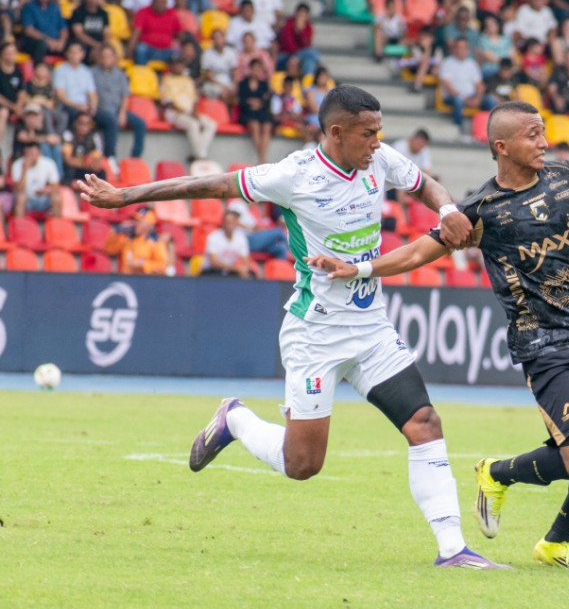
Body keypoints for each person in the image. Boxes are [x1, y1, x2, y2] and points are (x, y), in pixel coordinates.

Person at [77, 84, 508, 570]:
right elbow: (211, 185)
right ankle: (235, 419)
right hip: (315, 335)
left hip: (370, 329)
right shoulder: (293, 174)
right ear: (337, 132)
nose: (378, 142)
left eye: (380, 132)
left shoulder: (379, 159)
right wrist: (127, 196)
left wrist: (448, 210)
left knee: (424, 423)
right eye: (368, 133)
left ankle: (453, 550)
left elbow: (426, 184)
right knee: (303, 465)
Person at [308, 101, 569, 570]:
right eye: (533, 135)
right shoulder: (479, 210)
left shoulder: (567, 178)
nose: (544, 142)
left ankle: (555, 544)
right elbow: (415, 254)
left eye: (544, 132)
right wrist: (359, 267)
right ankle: (496, 473)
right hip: (544, 346)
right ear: (503, 146)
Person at [92, 44, 146, 161]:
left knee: (140, 123)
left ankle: (135, 158)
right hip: (100, 110)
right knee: (111, 120)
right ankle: (110, 157)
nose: (106, 59)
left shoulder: (120, 74)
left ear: (114, 58)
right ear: (99, 58)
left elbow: (125, 95)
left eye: (109, 56)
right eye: (104, 56)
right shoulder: (92, 73)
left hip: (117, 109)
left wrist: (122, 113)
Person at [438, 37, 498, 140]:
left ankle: (489, 133)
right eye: (458, 47)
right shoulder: (447, 63)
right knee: (458, 102)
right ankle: (458, 133)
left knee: (490, 101)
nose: (461, 50)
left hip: (471, 97)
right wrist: (466, 99)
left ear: (467, 49)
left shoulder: (472, 64)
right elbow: (448, 86)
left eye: (463, 47)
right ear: (454, 49)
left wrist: (478, 98)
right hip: (453, 97)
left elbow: (479, 85)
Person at [161, 53, 217, 161]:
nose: (179, 66)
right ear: (171, 66)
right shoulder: (166, 80)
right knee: (193, 124)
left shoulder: (188, 80)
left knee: (211, 124)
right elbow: (168, 102)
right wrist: (187, 112)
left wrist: (194, 112)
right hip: (175, 113)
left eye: (181, 64)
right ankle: (201, 156)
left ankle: (197, 154)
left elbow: (194, 100)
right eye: (176, 64)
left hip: (190, 112)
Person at [104, 207, 171, 275]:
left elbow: (162, 266)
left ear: (148, 225)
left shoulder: (155, 242)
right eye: (135, 221)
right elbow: (109, 250)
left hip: (145, 281)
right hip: (125, 280)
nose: (136, 224)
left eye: (139, 221)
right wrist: (115, 232)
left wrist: (142, 265)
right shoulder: (127, 239)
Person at [18, 0, 68, 64]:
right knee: (41, 45)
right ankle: (39, 69)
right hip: (36, 42)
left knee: (73, 46)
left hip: (55, 43)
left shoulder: (55, 7)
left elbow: (63, 28)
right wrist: (48, 41)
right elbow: (29, 30)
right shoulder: (29, 7)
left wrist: (61, 42)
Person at [129, 0, 182, 65]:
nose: (161, 4)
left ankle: (173, 77)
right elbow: (136, 33)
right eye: (158, 2)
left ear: (166, 2)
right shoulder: (143, 12)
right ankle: (142, 75)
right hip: (149, 50)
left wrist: (177, 44)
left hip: (167, 51)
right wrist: (130, 50)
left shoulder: (172, 14)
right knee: (140, 49)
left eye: (163, 2)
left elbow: (179, 34)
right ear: (153, 2)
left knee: (179, 53)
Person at [12, 140, 62, 218]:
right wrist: (24, 170)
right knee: (20, 198)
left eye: (32, 153)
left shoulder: (49, 163)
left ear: (39, 153)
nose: (30, 156)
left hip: (43, 198)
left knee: (56, 198)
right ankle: (19, 226)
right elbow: (19, 189)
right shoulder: (17, 164)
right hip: (26, 199)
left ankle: (57, 227)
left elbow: (55, 187)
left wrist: (45, 191)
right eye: (27, 154)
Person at [237, 58, 273, 164]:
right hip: (247, 112)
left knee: (267, 126)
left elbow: (266, 100)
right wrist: (252, 103)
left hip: (261, 111)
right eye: (254, 68)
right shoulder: (243, 83)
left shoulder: (264, 84)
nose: (256, 71)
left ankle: (262, 157)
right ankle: (262, 158)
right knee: (254, 125)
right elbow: (241, 99)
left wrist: (258, 103)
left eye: (259, 69)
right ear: (250, 69)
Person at [201, 209, 255, 277]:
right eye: (227, 222)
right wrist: (237, 269)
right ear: (223, 223)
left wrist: (244, 269)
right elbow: (214, 262)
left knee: (251, 275)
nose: (230, 225)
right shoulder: (213, 237)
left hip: (229, 271)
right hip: (212, 271)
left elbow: (246, 260)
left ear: (236, 223)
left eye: (232, 222)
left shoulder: (241, 238)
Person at [69, 0, 112, 65]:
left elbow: (107, 33)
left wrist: (105, 46)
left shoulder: (103, 14)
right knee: (96, 54)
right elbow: (79, 34)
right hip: (84, 44)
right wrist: (96, 45)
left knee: (110, 53)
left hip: (100, 45)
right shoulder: (78, 12)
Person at [62, 111, 107, 185]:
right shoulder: (68, 135)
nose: (83, 127)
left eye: (87, 124)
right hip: (73, 168)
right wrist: (85, 163)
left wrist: (89, 164)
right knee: (69, 170)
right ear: (75, 123)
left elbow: (97, 161)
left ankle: (102, 195)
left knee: (101, 172)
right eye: (81, 123)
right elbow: (68, 159)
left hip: (86, 168)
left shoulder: (95, 136)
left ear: (90, 125)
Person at [277, 2, 320, 76]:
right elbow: (288, 44)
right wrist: (297, 56)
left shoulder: (308, 26)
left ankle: (306, 83)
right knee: (312, 52)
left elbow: (307, 44)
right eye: (300, 15)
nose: (301, 17)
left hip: (299, 56)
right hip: (286, 55)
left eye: (304, 15)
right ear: (295, 14)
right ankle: (318, 62)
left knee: (309, 61)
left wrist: (301, 31)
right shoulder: (288, 23)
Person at [200, 28, 239, 102]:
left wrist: (235, 86)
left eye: (220, 37)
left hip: (227, 82)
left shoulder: (230, 53)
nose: (218, 40)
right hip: (214, 84)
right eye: (215, 38)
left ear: (224, 39)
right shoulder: (207, 54)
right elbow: (209, 77)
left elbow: (234, 73)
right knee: (223, 94)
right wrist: (224, 87)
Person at [0, 41, 25, 146]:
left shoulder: (18, 71)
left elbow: (22, 92)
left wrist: (18, 106)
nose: (12, 55)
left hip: (14, 105)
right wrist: (12, 106)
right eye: (9, 52)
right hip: (4, 106)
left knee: (32, 113)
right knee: (3, 112)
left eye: (14, 52)